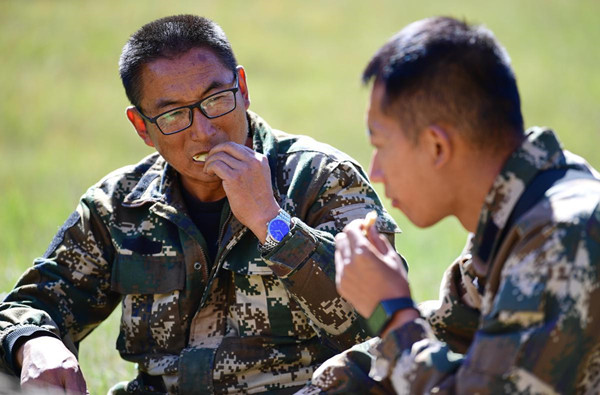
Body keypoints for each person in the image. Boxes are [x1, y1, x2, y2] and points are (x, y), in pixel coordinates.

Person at [0, 15, 400, 394]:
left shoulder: (321, 178)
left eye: (216, 99)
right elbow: (29, 306)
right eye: (174, 115)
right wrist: (34, 342)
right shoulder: (120, 204)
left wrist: (271, 222)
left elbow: (381, 323)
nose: (204, 131)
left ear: (242, 88)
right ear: (142, 127)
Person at [304, 16, 600, 394]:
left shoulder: (564, 237)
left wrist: (391, 311)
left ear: (436, 146)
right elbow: (449, 333)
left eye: (380, 145)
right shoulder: (513, 216)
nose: (375, 171)